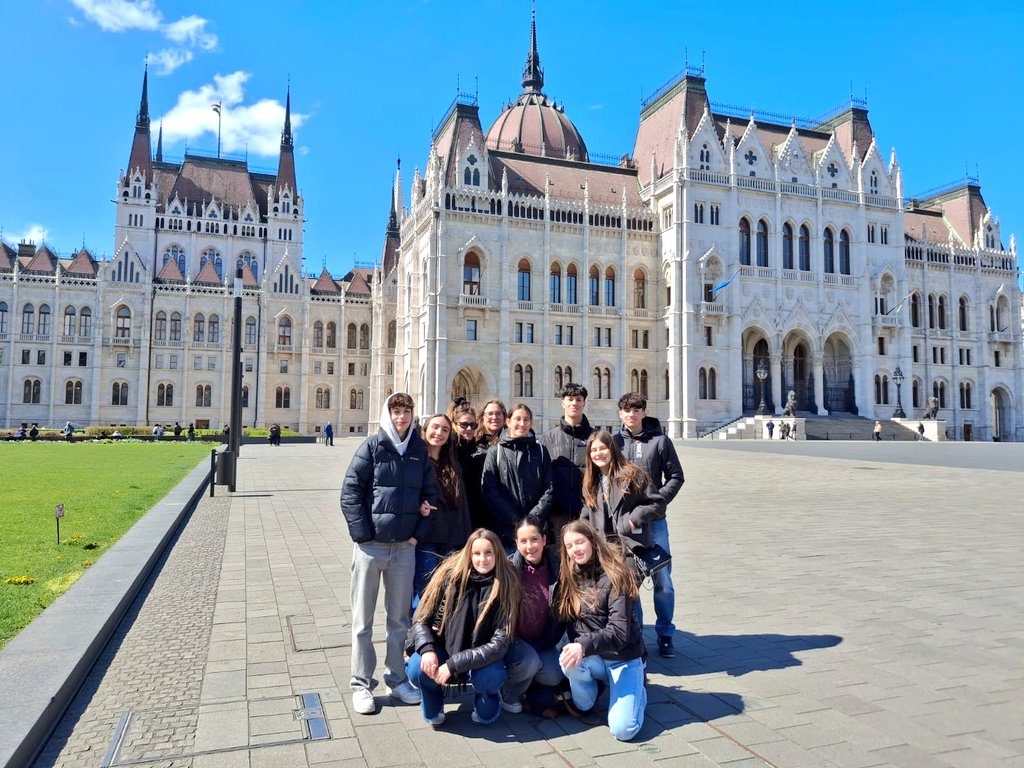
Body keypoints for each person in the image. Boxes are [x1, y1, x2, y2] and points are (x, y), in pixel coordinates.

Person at [341, 392, 441, 715]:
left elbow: (431, 495)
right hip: (371, 548)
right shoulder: (372, 447)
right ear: (388, 414)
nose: (402, 418)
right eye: (396, 412)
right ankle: (360, 683)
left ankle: (396, 679)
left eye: (406, 412)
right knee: (362, 621)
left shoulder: (417, 452)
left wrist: (418, 534)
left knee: (399, 620)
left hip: (403, 549)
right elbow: (350, 492)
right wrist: (362, 535)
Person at [406, 528, 522, 728]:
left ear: (498, 555)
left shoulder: (506, 584)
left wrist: (453, 665)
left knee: (490, 681)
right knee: (418, 668)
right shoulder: (449, 577)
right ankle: (433, 696)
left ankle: (486, 698)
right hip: (444, 647)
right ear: (469, 554)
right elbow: (421, 619)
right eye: (476, 553)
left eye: (488, 553)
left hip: (484, 658)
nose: (482, 559)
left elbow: (499, 645)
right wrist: (427, 650)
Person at [557, 520, 647, 742]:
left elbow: (619, 632)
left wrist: (582, 645)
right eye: (569, 546)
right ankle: (589, 698)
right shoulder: (568, 576)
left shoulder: (616, 575)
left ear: (592, 541)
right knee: (567, 662)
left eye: (580, 542)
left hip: (623, 658)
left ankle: (639, 692)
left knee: (623, 730)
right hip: (593, 657)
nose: (575, 549)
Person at [614, 393, 684, 658]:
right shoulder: (615, 442)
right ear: (620, 414)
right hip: (627, 526)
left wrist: (658, 501)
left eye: (636, 409)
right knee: (631, 583)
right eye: (626, 410)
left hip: (655, 523)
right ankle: (638, 635)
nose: (631, 414)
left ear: (644, 412)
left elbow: (676, 476)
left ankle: (665, 633)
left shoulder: (660, 441)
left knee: (663, 579)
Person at [502, 517, 566, 715]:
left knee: (554, 675)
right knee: (529, 663)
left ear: (544, 539)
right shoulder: (508, 569)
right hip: (515, 640)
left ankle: (527, 683)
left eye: (534, 539)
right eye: (523, 541)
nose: (529, 546)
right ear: (516, 544)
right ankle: (509, 692)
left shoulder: (558, 568)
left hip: (543, 641)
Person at [581, 431, 666, 565]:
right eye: (594, 450)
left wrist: (634, 518)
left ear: (612, 449)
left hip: (630, 545)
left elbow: (658, 503)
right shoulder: (590, 482)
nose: (598, 453)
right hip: (604, 549)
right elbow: (587, 513)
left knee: (626, 585)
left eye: (603, 448)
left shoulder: (633, 474)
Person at [414, 414, 472, 605]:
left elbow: (461, 504)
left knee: (449, 592)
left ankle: (441, 633)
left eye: (445, 429)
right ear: (425, 429)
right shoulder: (415, 460)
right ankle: (419, 632)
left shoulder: (452, 464)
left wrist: (465, 540)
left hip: (451, 538)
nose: (439, 433)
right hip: (426, 538)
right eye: (435, 427)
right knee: (425, 590)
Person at [481, 403, 554, 552]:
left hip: (537, 530)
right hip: (506, 532)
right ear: (508, 421)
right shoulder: (496, 452)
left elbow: (549, 487)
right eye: (517, 419)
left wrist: (533, 519)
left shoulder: (540, 451)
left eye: (526, 419)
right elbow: (490, 491)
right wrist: (516, 521)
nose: (522, 424)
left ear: (531, 422)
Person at [539, 384, 594, 540]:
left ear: (584, 403)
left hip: (587, 513)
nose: (574, 403)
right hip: (556, 516)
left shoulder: (595, 438)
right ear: (563, 403)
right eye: (570, 399)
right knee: (558, 561)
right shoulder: (548, 438)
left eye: (578, 399)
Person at [463, 399, 506, 531]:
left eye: (499, 414)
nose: (495, 417)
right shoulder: (471, 442)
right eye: (490, 414)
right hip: (475, 507)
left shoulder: (510, 443)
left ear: (505, 418)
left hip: (502, 508)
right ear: (482, 417)